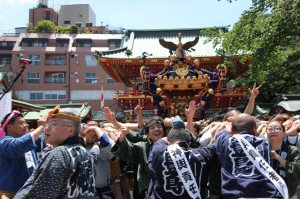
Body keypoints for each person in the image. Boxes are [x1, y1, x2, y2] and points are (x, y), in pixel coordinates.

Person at [14, 105, 97, 199]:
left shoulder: (59, 153)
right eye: (48, 124)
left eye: (53, 124)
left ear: (70, 130)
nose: (47, 128)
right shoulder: (86, 153)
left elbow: (39, 195)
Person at [214, 113, 285, 198]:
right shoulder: (264, 143)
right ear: (254, 130)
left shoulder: (225, 141)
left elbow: (220, 133)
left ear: (232, 130)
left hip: (237, 194)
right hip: (266, 195)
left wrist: (228, 125)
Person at [147, 115, 217, 199]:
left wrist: (169, 133)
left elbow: (160, 142)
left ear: (168, 141)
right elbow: (214, 146)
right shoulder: (201, 154)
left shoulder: (158, 152)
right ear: (189, 142)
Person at [0, 110, 47, 198]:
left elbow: (45, 140)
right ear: (9, 127)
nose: (26, 125)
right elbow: (19, 145)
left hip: (28, 191)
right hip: (9, 193)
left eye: (25, 123)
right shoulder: (4, 142)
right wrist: (40, 127)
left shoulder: (29, 141)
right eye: (21, 123)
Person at [266, 120, 300, 198]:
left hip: (288, 192)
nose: (273, 131)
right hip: (266, 192)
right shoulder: (261, 149)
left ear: (284, 133)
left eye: (277, 128)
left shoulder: (293, 150)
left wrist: (278, 158)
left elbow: (297, 168)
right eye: (270, 129)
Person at [84, 120, 116, 199]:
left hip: (102, 187)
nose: (92, 130)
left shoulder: (103, 144)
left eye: (94, 127)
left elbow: (114, 157)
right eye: (89, 127)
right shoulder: (80, 144)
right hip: (84, 187)